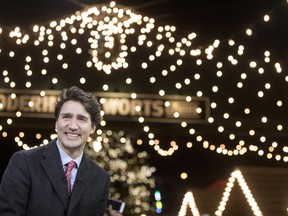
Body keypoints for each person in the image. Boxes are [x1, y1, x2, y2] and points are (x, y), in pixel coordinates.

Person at [0, 86, 111, 216]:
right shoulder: (24, 163)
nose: (73, 126)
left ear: (92, 127)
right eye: (66, 117)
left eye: (81, 119)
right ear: (56, 124)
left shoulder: (101, 179)